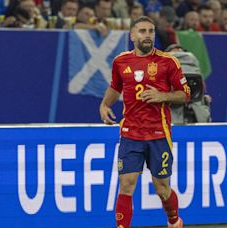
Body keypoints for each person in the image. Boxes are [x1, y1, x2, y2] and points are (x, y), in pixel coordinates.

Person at [99, 16, 189, 228]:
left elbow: (185, 94)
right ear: (132, 36)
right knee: (126, 185)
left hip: (159, 133)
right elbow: (116, 87)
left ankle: (174, 221)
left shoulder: (168, 62)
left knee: (162, 189)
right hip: (130, 132)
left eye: (150, 31)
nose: (147, 35)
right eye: (142, 31)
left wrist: (163, 96)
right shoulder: (121, 61)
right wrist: (104, 105)